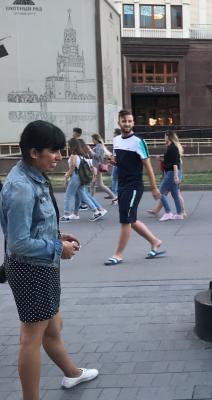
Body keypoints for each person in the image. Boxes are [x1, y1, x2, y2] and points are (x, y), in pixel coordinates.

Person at [0, 120, 98, 400]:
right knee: (30, 339)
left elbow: (31, 225)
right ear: (34, 152)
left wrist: (56, 233)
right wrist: (58, 246)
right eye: (54, 151)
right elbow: (19, 243)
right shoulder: (21, 187)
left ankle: (72, 373)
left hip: (41, 267)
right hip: (31, 269)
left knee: (53, 326)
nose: (59, 157)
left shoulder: (32, 175)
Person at [104, 109, 163, 266]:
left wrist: (154, 187)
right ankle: (155, 241)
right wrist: (113, 161)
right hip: (122, 185)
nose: (127, 124)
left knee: (125, 220)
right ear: (119, 123)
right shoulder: (116, 140)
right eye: (124, 121)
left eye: (130, 121)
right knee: (131, 219)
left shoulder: (139, 142)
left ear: (133, 123)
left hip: (134, 185)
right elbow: (120, 160)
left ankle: (118, 254)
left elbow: (148, 166)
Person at [60, 140, 108, 222]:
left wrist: (66, 176)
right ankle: (90, 212)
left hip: (75, 176)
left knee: (68, 195)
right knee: (82, 195)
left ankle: (66, 215)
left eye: (69, 145)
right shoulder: (82, 156)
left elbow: (72, 167)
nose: (68, 146)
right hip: (82, 177)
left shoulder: (74, 155)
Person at [158, 131, 185, 221]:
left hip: (171, 173)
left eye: (165, 136)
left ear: (169, 137)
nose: (164, 138)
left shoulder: (173, 148)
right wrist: (162, 159)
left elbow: (175, 163)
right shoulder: (170, 147)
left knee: (160, 192)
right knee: (175, 194)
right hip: (170, 173)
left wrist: (176, 176)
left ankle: (168, 212)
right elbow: (169, 162)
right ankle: (179, 213)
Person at [90, 133, 116, 201]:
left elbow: (98, 157)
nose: (92, 140)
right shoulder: (99, 145)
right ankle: (90, 200)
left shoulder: (99, 146)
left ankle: (114, 197)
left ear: (96, 139)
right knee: (94, 184)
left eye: (92, 139)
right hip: (96, 166)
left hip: (97, 167)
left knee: (99, 184)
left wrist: (91, 152)